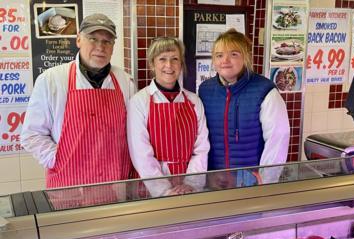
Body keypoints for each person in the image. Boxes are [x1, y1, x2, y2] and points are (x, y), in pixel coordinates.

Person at [21, 13, 136, 189]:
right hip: (69, 185)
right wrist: (58, 159)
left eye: (107, 41)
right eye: (93, 39)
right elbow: (32, 135)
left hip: (115, 183)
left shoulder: (125, 81)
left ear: (113, 46)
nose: (100, 47)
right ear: (78, 40)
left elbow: (134, 133)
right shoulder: (51, 80)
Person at [198, 29, 290, 187]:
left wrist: (265, 182)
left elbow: (278, 139)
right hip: (214, 183)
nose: (225, 60)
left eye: (233, 54)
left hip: (250, 184)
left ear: (245, 57)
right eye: (219, 55)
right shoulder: (205, 90)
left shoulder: (264, 91)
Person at [127, 37, 209, 196]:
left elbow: (201, 148)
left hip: (188, 187)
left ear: (181, 64)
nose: (169, 65)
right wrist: (164, 190)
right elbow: (141, 154)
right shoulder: (139, 101)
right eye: (162, 59)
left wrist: (191, 184)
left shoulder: (194, 101)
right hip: (151, 188)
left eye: (175, 59)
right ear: (152, 64)